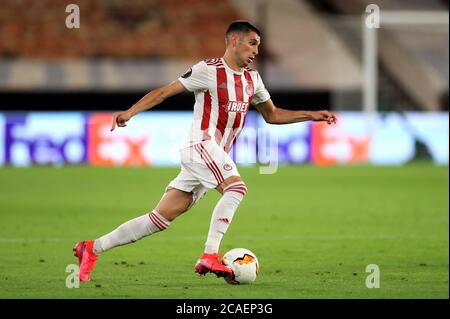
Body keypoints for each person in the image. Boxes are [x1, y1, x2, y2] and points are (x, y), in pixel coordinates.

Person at [73, 21, 337, 282]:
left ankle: (92, 248)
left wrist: (312, 115)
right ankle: (210, 254)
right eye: (252, 43)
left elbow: (273, 114)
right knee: (236, 188)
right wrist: (130, 112)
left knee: (158, 220)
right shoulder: (208, 70)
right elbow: (165, 92)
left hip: (210, 154)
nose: (256, 51)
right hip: (200, 144)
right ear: (234, 41)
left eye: (259, 45)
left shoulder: (252, 79)